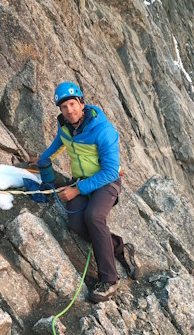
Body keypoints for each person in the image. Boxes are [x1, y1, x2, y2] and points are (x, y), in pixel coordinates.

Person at [28, 82, 126, 303]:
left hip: (107, 182)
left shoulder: (103, 130)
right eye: (64, 107)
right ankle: (119, 248)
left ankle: (109, 280)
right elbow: (57, 145)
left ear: (82, 103)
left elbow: (111, 171)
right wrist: (42, 161)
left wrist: (76, 190)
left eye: (72, 104)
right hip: (81, 181)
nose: (69, 110)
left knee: (94, 216)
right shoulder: (65, 127)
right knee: (76, 225)